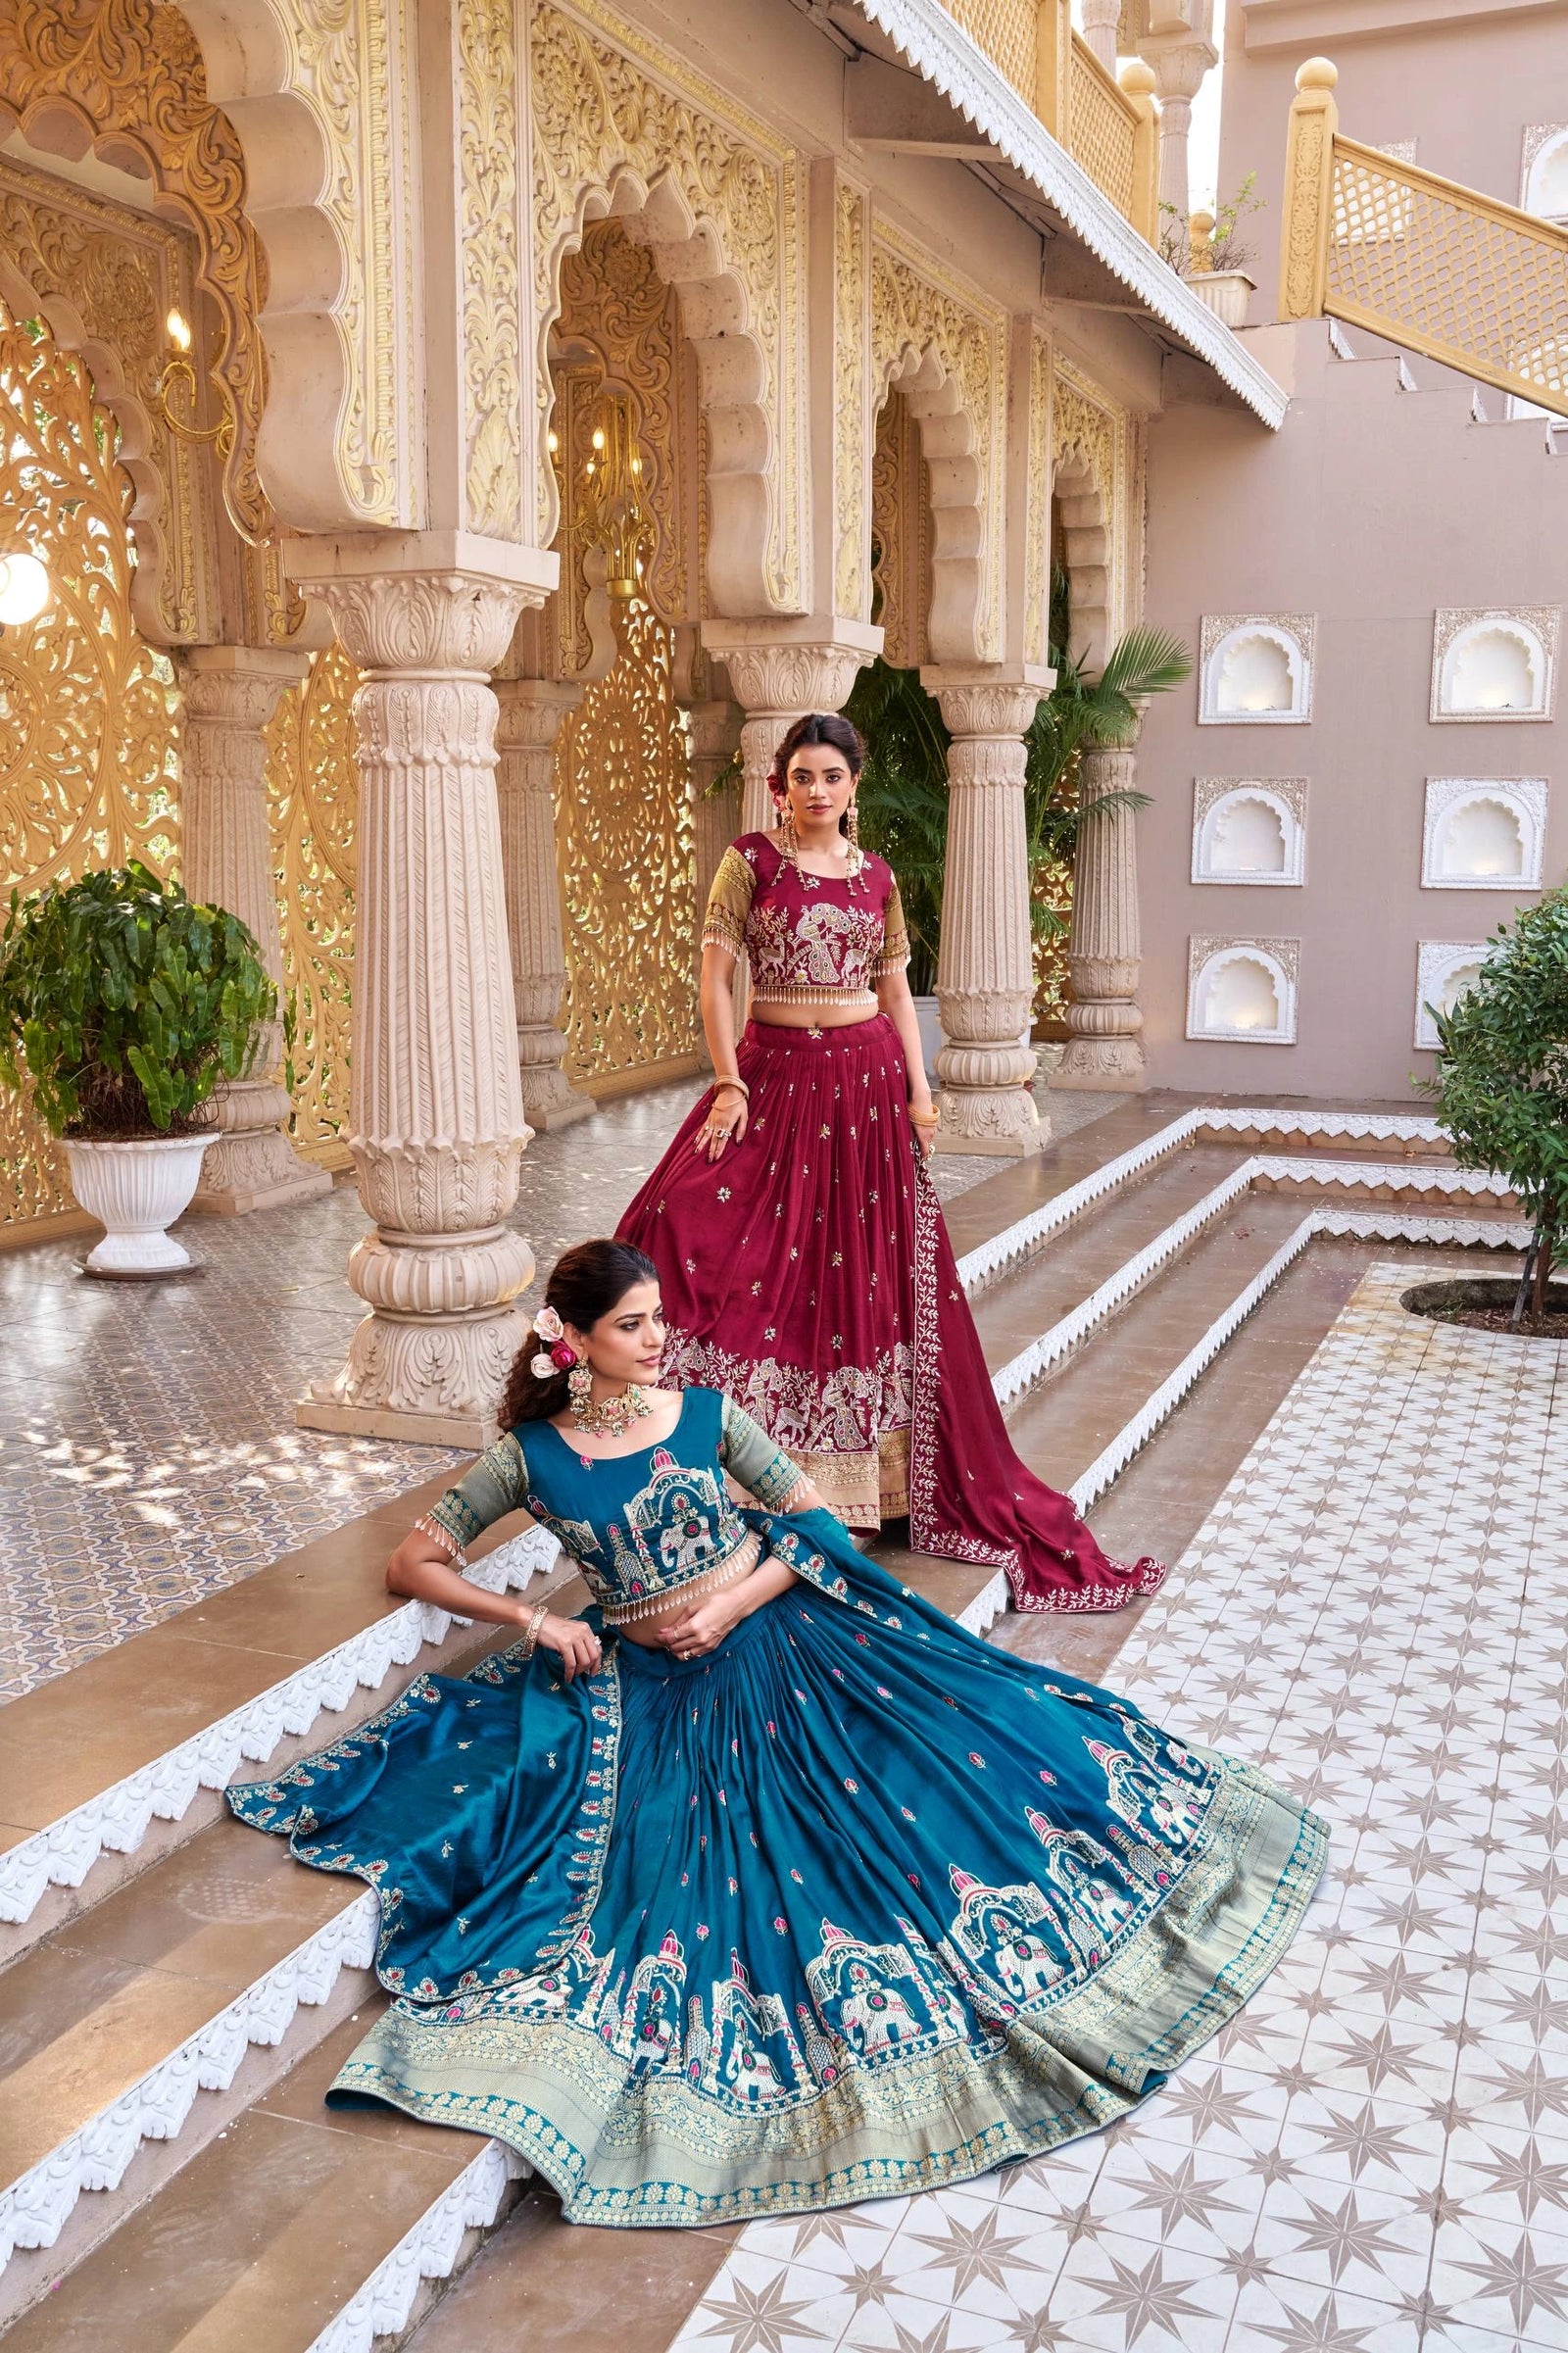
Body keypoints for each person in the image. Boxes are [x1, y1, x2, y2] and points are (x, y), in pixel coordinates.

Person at [230, 1240, 1327, 2229]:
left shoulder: (708, 1415)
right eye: (632, 1324)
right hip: (649, 1690)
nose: (658, 1339)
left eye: (660, 1317)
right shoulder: (529, 1457)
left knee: (953, 1777)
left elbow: (808, 1519)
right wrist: (533, 1617)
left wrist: (731, 1602)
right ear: (574, 1340)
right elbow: (412, 1561)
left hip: (779, 1638)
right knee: (671, 1885)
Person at [617, 710, 1161, 1614]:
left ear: (852, 784)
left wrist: (918, 1089)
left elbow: (896, 988)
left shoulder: (877, 876)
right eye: (802, 776)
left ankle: (865, 1479)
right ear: (779, 785)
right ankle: (717, 1447)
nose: (817, 790)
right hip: (776, 1080)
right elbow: (716, 976)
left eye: (832, 775)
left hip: (866, 1092)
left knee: (859, 1275)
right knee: (688, 1219)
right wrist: (725, 1081)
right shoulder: (749, 863)